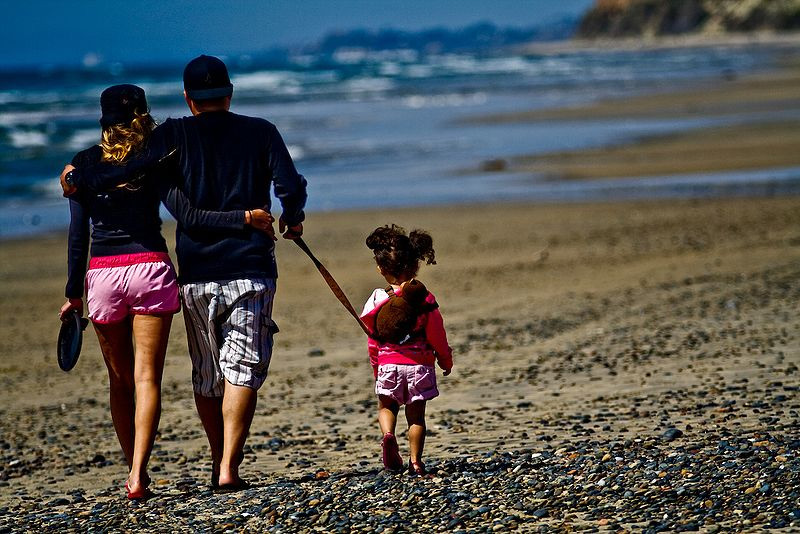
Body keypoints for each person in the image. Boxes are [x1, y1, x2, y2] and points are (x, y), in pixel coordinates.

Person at [60, 55, 307, 491]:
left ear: (189, 100)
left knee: (204, 375)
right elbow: (289, 183)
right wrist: (292, 215)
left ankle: (200, 463)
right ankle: (226, 466)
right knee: (238, 370)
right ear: (229, 93)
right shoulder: (261, 131)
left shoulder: (172, 137)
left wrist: (80, 177)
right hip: (237, 266)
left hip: (187, 272)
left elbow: (127, 174)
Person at [359, 224, 453, 475]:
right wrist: (445, 359)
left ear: (381, 269)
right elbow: (437, 334)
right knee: (416, 418)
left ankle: (388, 434)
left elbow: (373, 338)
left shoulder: (379, 299)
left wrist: (377, 367)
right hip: (419, 366)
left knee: (386, 407)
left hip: (389, 363)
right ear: (415, 265)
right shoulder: (425, 299)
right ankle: (415, 462)